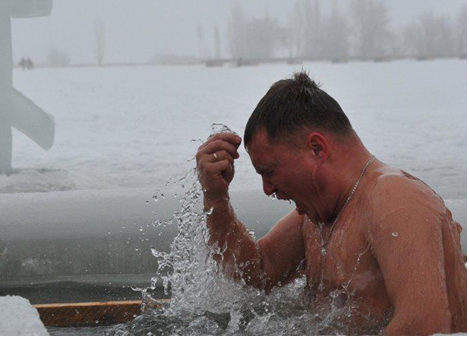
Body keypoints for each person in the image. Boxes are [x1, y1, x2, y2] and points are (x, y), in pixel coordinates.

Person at [195, 71, 466, 335]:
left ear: (317, 148)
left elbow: (426, 326)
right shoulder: (316, 217)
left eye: (268, 171)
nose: (267, 189)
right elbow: (255, 275)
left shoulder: (397, 200)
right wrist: (216, 198)